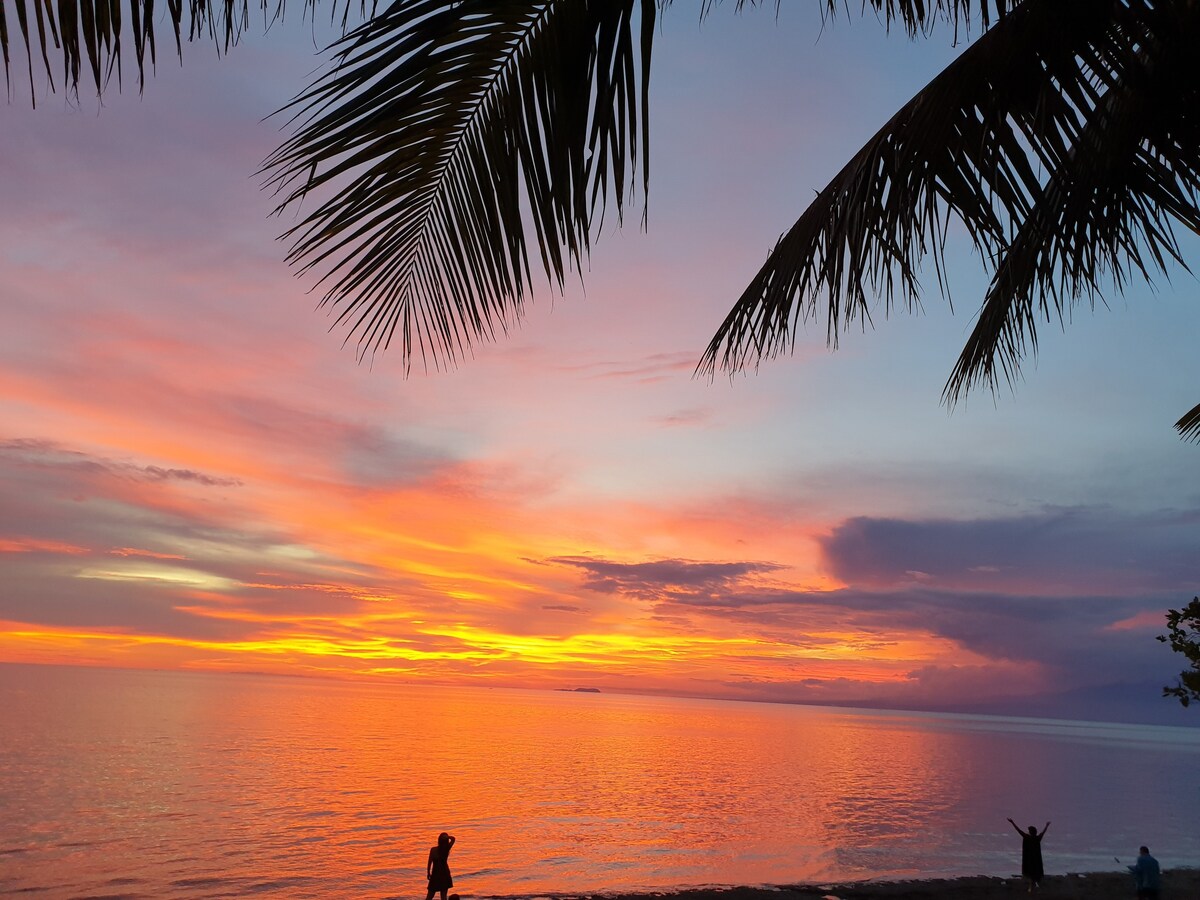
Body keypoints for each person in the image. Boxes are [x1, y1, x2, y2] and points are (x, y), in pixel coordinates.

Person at [1007, 818, 1050, 893]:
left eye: (1029, 831)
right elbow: (1043, 832)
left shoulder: (1027, 838)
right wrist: (1046, 826)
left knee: (1031, 876)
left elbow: (1019, 831)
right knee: (1035, 876)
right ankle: (1034, 888)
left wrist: (1012, 822)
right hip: (1036, 862)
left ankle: (1032, 889)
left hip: (1029, 861)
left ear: (1030, 832)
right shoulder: (1037, 838)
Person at [425, 831, 455, 900]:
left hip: (439, 874)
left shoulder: (439, 849)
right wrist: (447, 837)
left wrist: (428, 872)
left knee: (430, 896)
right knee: (442, 896)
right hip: (442, 873)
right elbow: (453, 839)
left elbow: (430, 862)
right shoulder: (445, 849)